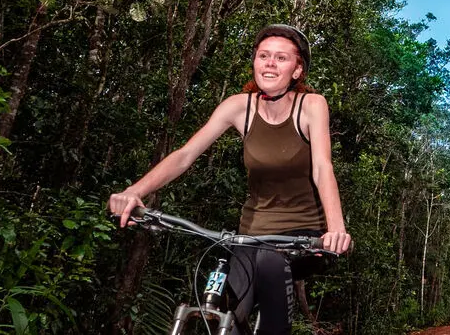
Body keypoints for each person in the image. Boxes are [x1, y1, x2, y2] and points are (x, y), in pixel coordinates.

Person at [109, 24, 351, 335]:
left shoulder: (312, 105)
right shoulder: (240, 106)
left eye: (281, 58)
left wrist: (336, 229)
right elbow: (185, 155)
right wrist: (134, 191)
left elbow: (322, 167)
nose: (270, 64)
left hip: (303, 238)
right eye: (264, 56)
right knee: (229, 313)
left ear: (297, 70)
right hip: (250, 235)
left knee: (269, 263)